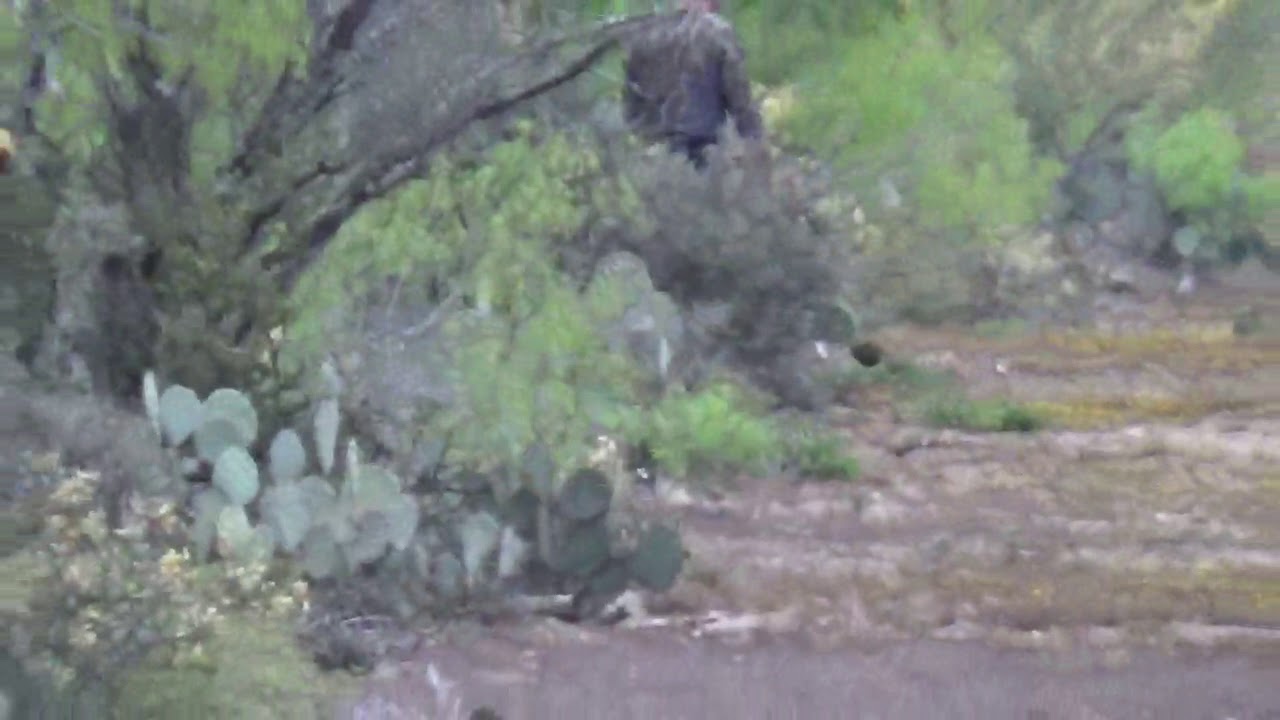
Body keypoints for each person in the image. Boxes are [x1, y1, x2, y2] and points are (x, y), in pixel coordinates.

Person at [621, 0, 763, 168]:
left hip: (651, 155)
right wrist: (755, 142)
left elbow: (631, 105)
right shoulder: (717, 32)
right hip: (702, 151)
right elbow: (739, 99)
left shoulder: (644, 34)